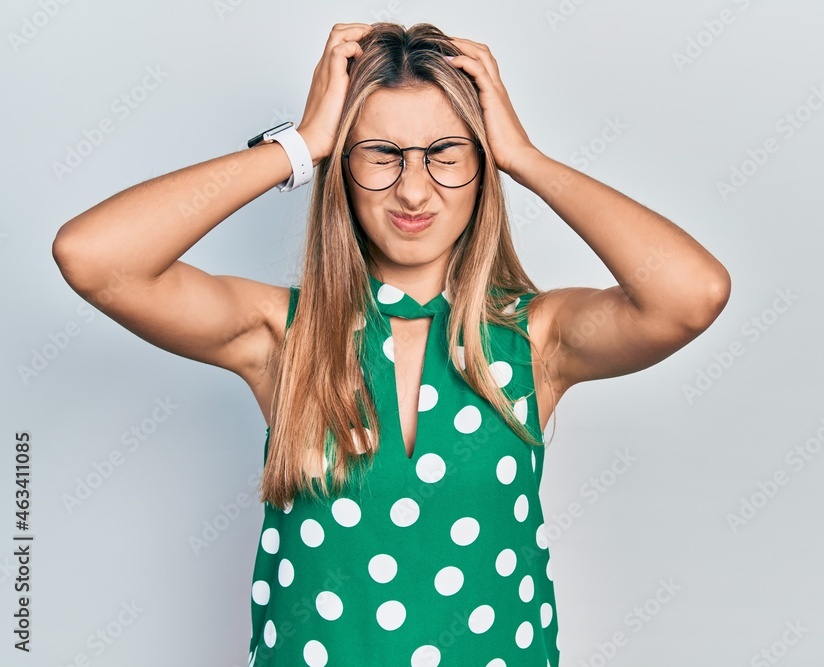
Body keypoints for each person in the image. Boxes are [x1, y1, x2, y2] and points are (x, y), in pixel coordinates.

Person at [52, 21, 730, 667]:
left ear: (481, 160)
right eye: (381, 155)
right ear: (342, 169)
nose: (413, 188)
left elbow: (691, 294)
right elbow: (92, 257)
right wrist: (301, 144)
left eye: (445, 154)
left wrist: (525, 158)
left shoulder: (534, 340)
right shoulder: (285, 336)